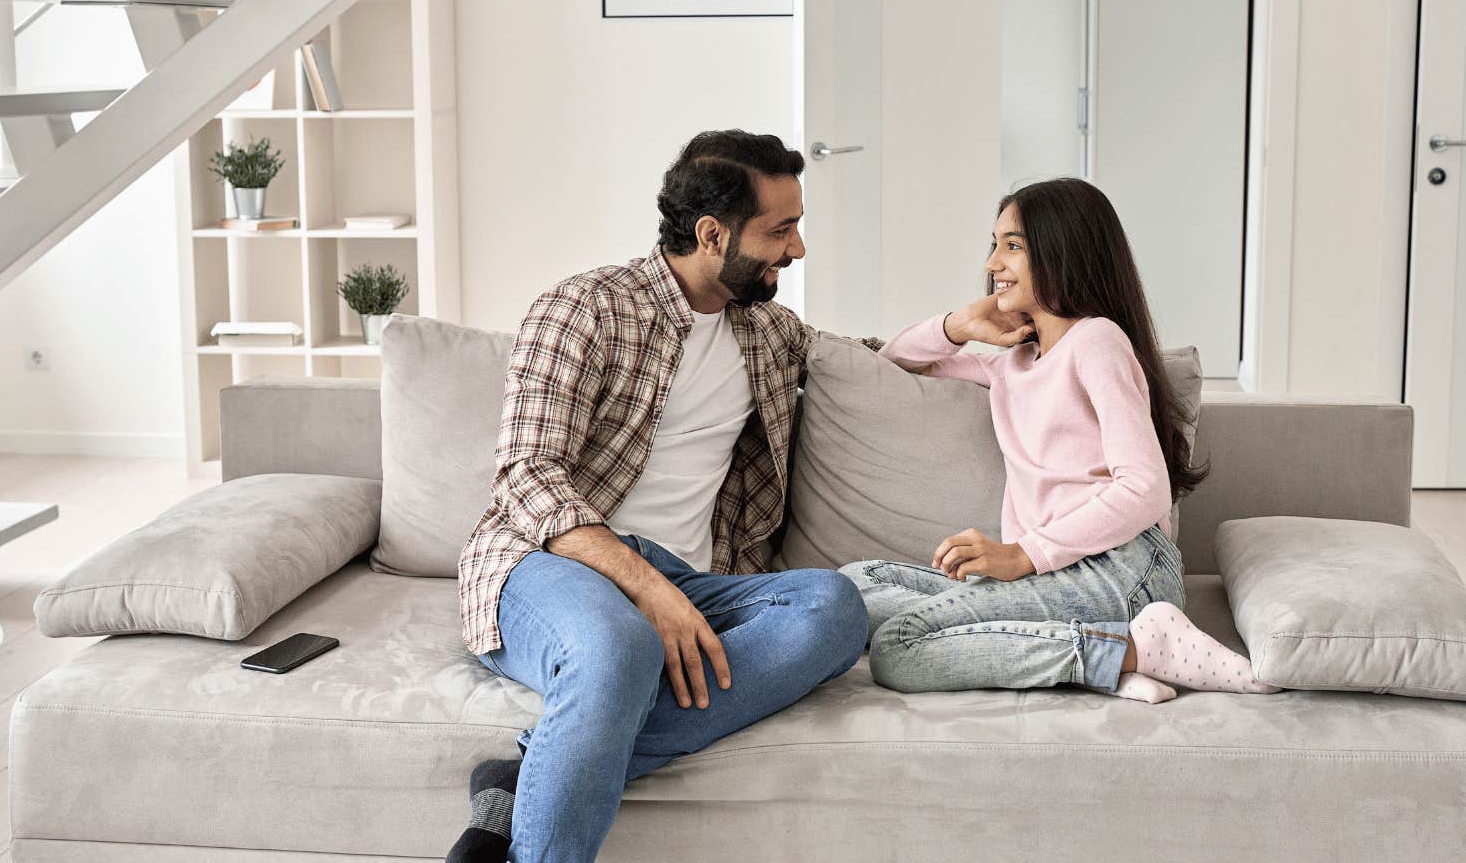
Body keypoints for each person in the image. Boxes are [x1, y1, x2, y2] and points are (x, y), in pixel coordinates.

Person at [448, 130, 868, 863]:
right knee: (621, 645)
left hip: (693, 580)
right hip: (551, 566)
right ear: (712, 234)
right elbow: (526, 475)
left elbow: (861, 359)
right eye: (780, 230)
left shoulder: (768, 333)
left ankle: (528, 778)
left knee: (833, 609)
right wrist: (644, 588)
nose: (796, 251)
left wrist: (960, 329)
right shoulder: (584, 309)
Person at [841, 177, 1279, 704]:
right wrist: (960, 324)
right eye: (994, 245)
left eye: (1014, 246)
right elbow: (893, 362)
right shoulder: (1012, 366)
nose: (992, 263)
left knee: (899, 647)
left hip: (1124, 566)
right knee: (848, 586)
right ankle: (1111, 652)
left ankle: (1135, 651)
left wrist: (1021, 555)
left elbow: (1145, 489)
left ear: (1063, 250)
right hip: (1046, 577)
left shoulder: (1096, 341)